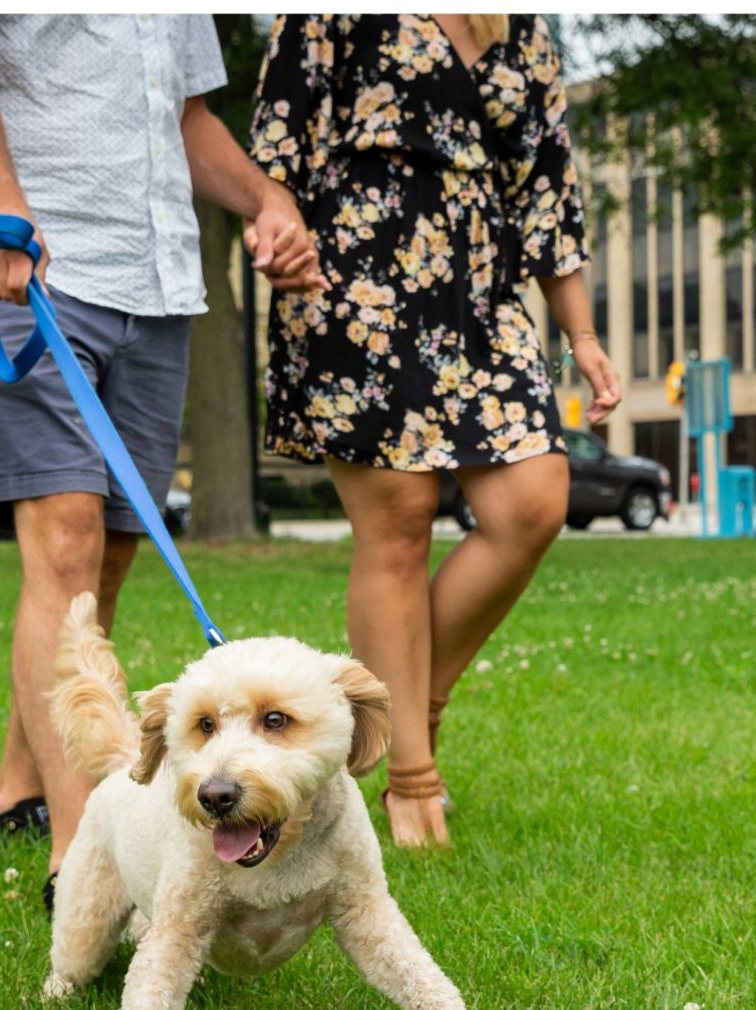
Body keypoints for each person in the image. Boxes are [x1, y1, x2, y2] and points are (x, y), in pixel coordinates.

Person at [0, 15, 324, 908]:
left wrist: (268, 202)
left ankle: (21, 781)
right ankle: (77, 857)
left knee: (114, 549)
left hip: (156, 273)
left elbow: (186, 118)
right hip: (27, 261)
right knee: (65, 541)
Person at [250, 14, 620, 848]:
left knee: (534, 501)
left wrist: (584, 340)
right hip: (355, 276)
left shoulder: (521, 26)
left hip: (484, 292)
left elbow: (549, 193)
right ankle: (411, 781)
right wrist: (278, 233)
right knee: (400, 523)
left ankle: (405, 711)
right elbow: (278, 141)